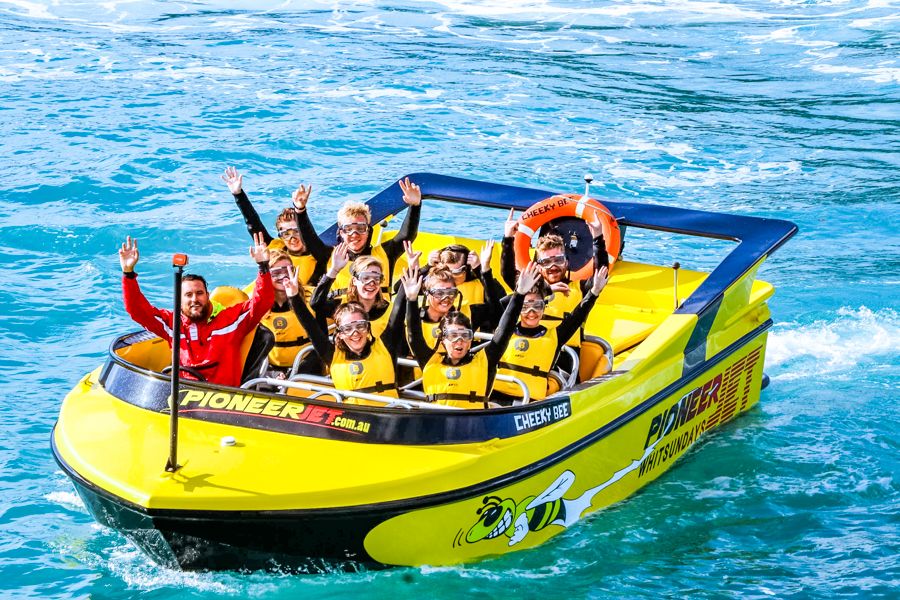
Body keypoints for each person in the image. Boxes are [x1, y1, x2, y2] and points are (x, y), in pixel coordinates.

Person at [118, 234, 274, 388]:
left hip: (221, 401)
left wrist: (263, 267)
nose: (194, 299)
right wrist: (128, 273)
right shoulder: (173, 325)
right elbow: (138, 310)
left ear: (207, 296)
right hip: (184, 397)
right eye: (188, 295)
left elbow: (262, 301)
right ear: (179, 300)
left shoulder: (230, 321)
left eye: (199, 293)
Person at [403, 262, 541, 409]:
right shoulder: (431, 361)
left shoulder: (483, 361)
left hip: (474, 425)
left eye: (465, 335)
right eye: (453, 335)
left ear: (471, 340)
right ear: (443, 340)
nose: (459, 341)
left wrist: (519, 294)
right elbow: (414, 335)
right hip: (437, 424)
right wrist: (411, 299)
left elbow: (504, 331)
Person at [285, 270, 407, 406]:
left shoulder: (385, 346)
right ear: (340, 334)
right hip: (350, 420)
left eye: (360, 326)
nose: (355, 332)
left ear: (367, 328)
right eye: (348, 328)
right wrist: (294, 297)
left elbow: (398, 311)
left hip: (387, 416)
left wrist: (412, 270)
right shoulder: (333, 355)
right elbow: (310, 326)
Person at [492, 266, 609, 404]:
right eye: (525, 307)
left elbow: (577, 316)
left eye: (537, 306)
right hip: (494, 396)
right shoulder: (505, 331)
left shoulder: (555, 336)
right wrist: (520, 292)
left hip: (528, 403)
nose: (531, 312)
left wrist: (594, 292)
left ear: (544, 307)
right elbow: (500, 305)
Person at [500, 209, 610, 348]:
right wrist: (508, 238)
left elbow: (601, 274)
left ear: (567, 262)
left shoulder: (580, 288)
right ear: (538, 266)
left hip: (565, 356)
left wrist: (598, 238)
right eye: (546, 262)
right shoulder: (529, 287)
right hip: (526, 350)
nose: (553, 266)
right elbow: (507, 273)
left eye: (558, 260)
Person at [222, 166, 331, 286]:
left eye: (296, 231)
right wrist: (238, 195)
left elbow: (309, 234)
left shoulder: (319, 253)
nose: (292, 238)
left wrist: (300, 209)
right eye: (286, 234)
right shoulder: (276, 248)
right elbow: (254, 225)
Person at [325, 177, 422, 300]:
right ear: (341, 233)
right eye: (348, 229)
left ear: (369, 231)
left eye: (360, 228)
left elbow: (407, 236)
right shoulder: (329, 255)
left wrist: (414, 206)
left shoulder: (384, 253)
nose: (354, 234)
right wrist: (300, 209)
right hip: (345, 316)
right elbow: (307, 241)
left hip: (380, 317)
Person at [310, 244, 402, 338]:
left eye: (376, 278)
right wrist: (334, 270)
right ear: (354, 281)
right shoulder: (342, 306)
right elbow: (316, 304)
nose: (371, 283)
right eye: (365, 277)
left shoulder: (391, 310)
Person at [259, 250, 320, 377]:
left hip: (308, 363)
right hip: (271, 369)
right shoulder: (259, 306)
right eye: (276, 273)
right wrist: (273, 373)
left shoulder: (312, 298)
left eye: (288, 271)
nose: (283, 277)